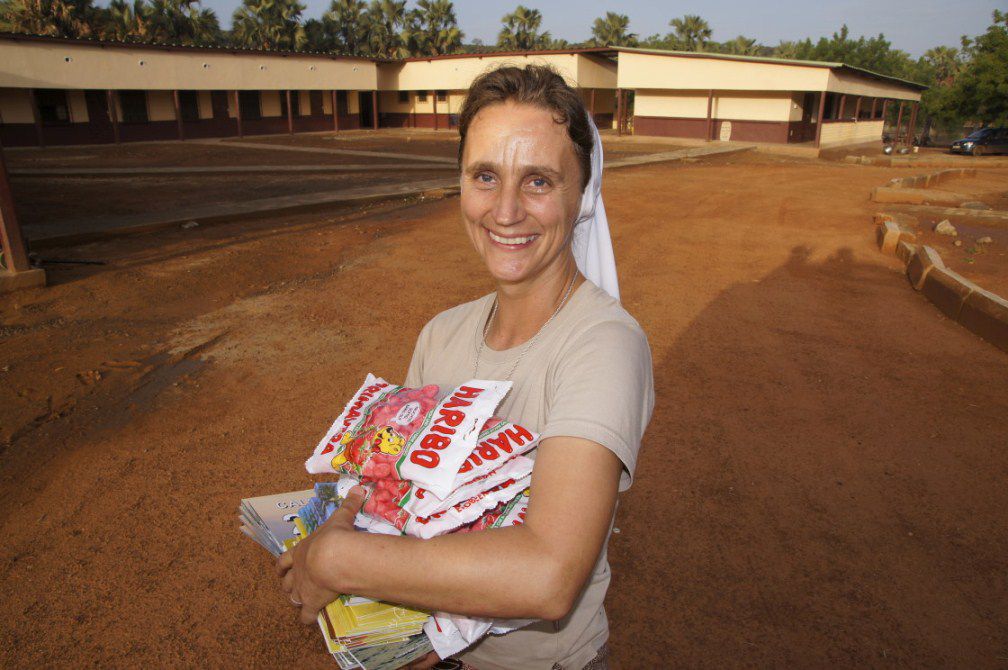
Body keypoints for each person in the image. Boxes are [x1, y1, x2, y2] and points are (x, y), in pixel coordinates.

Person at [277, 64, 654, 670]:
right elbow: (400, 507)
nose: (505, 211)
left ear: (581, 194)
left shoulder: (603, 346)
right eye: (485, 176)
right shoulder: (441, 335)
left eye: (538, 181)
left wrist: (334, 560)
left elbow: (548, 574)